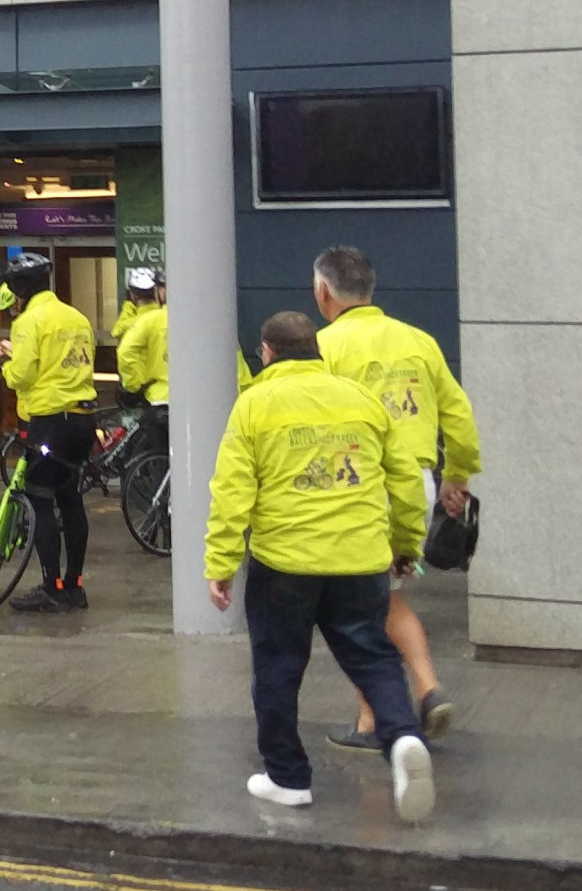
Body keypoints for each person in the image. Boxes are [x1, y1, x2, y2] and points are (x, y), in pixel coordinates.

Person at [206, 310, 434, 822]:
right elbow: (403, 478)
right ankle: (401, 739)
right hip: (359, 559)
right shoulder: (361, 399)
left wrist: (220, 563)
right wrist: (405, 544)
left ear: (267, 351)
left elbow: (232, 493)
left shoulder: (254, 405)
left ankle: (287, 778)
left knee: (279, 667)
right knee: (373, 656)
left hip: (284, 563)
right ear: (317, 350)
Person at [313, 244, 480, 748]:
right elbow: (459, 415)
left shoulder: (323, 347)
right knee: (383, 596)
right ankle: (427, 688)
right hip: (418, 482)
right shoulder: (419, 342)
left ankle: (372, 719)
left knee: (353, 607)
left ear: (324, 292)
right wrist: (458, 475)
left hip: (358, 486)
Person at [0, 254, 96, 613]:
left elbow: (21, 377)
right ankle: (75, 584)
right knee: (71, 499)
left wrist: (5, 363)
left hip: (50, 419)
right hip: (84, 418)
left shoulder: (27, 322)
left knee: (39, 499)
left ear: (21, 289)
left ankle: (51, 586)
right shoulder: (76, 316)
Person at [116, 268, 171, 464]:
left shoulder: (151, 320)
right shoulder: (202, 321)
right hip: (193, 404)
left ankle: (159, 493)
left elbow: (125, 352)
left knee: (159, 463)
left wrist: (134, 385)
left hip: (158, 400)